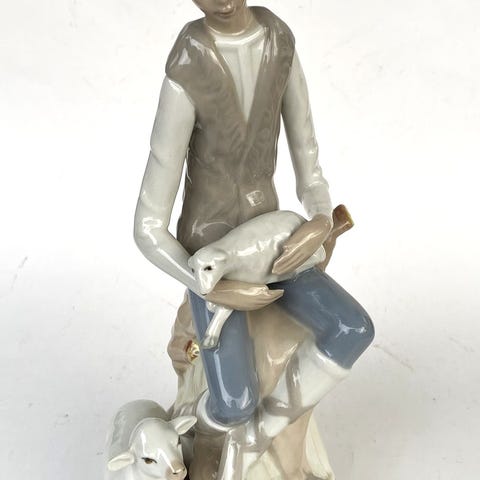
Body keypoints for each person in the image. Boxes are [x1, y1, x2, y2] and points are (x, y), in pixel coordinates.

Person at [134, 0, 374, 475]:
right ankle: (209, 435)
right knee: (234, 401)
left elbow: (309, 165)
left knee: (352, 328)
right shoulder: (187, 68)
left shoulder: (279, 44)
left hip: (274, 244)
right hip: (213, 258)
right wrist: (209, 285)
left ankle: (255, 441)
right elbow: (147, 227)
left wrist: (319, 221)